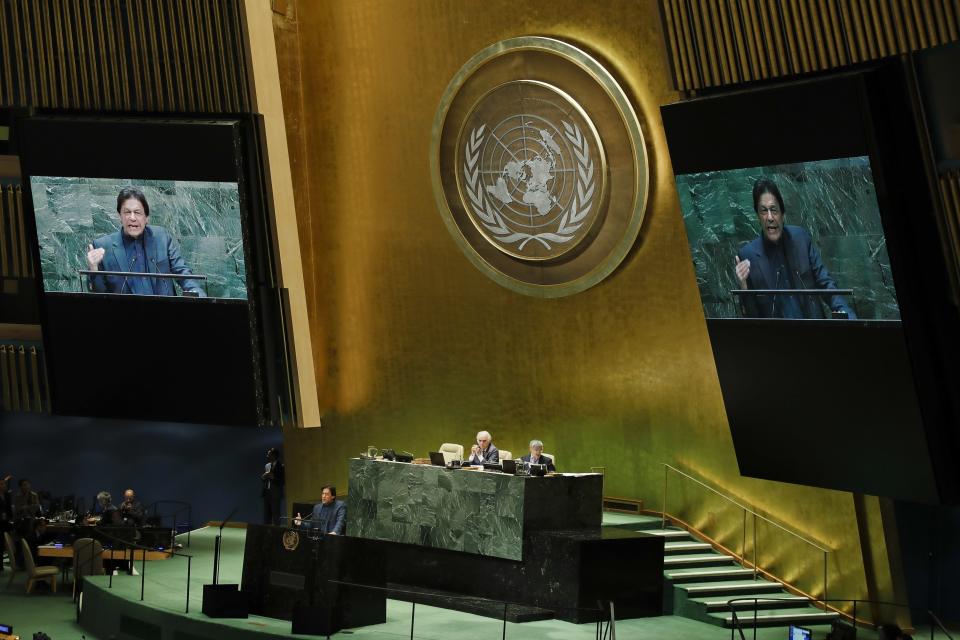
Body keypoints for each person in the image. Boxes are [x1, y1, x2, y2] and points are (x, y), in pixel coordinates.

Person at [734, 178, 856, 319]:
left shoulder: (800, 239)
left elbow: (826, 284)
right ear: (757, 217)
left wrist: (848, 317)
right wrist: (744, 287)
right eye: (763, 211)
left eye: (774, 210)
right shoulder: (748, 256)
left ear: (782, 214)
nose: (769, 217)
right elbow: (752, 317)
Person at [85, 187, 205, 297]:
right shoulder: (103, 246)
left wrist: (198, 294)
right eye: (127, 212)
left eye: (137, 212)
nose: (132, 218)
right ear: (119, 216)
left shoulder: (162, 237)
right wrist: (94, 269)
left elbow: (183, 273)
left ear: (146, 218)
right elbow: (99, 293)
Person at [261, 448, 285, 526]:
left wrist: (273, 477)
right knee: (266, 515)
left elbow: (282, 481)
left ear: (274, 456)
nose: (267, 456)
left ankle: (277, 533)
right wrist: (263, 477)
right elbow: (263, 479)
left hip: (276, 494)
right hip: (267, 493)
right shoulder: (267, 466)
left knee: (276, 515)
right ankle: (266, 532)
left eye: (269, 454)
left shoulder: (281, 466)